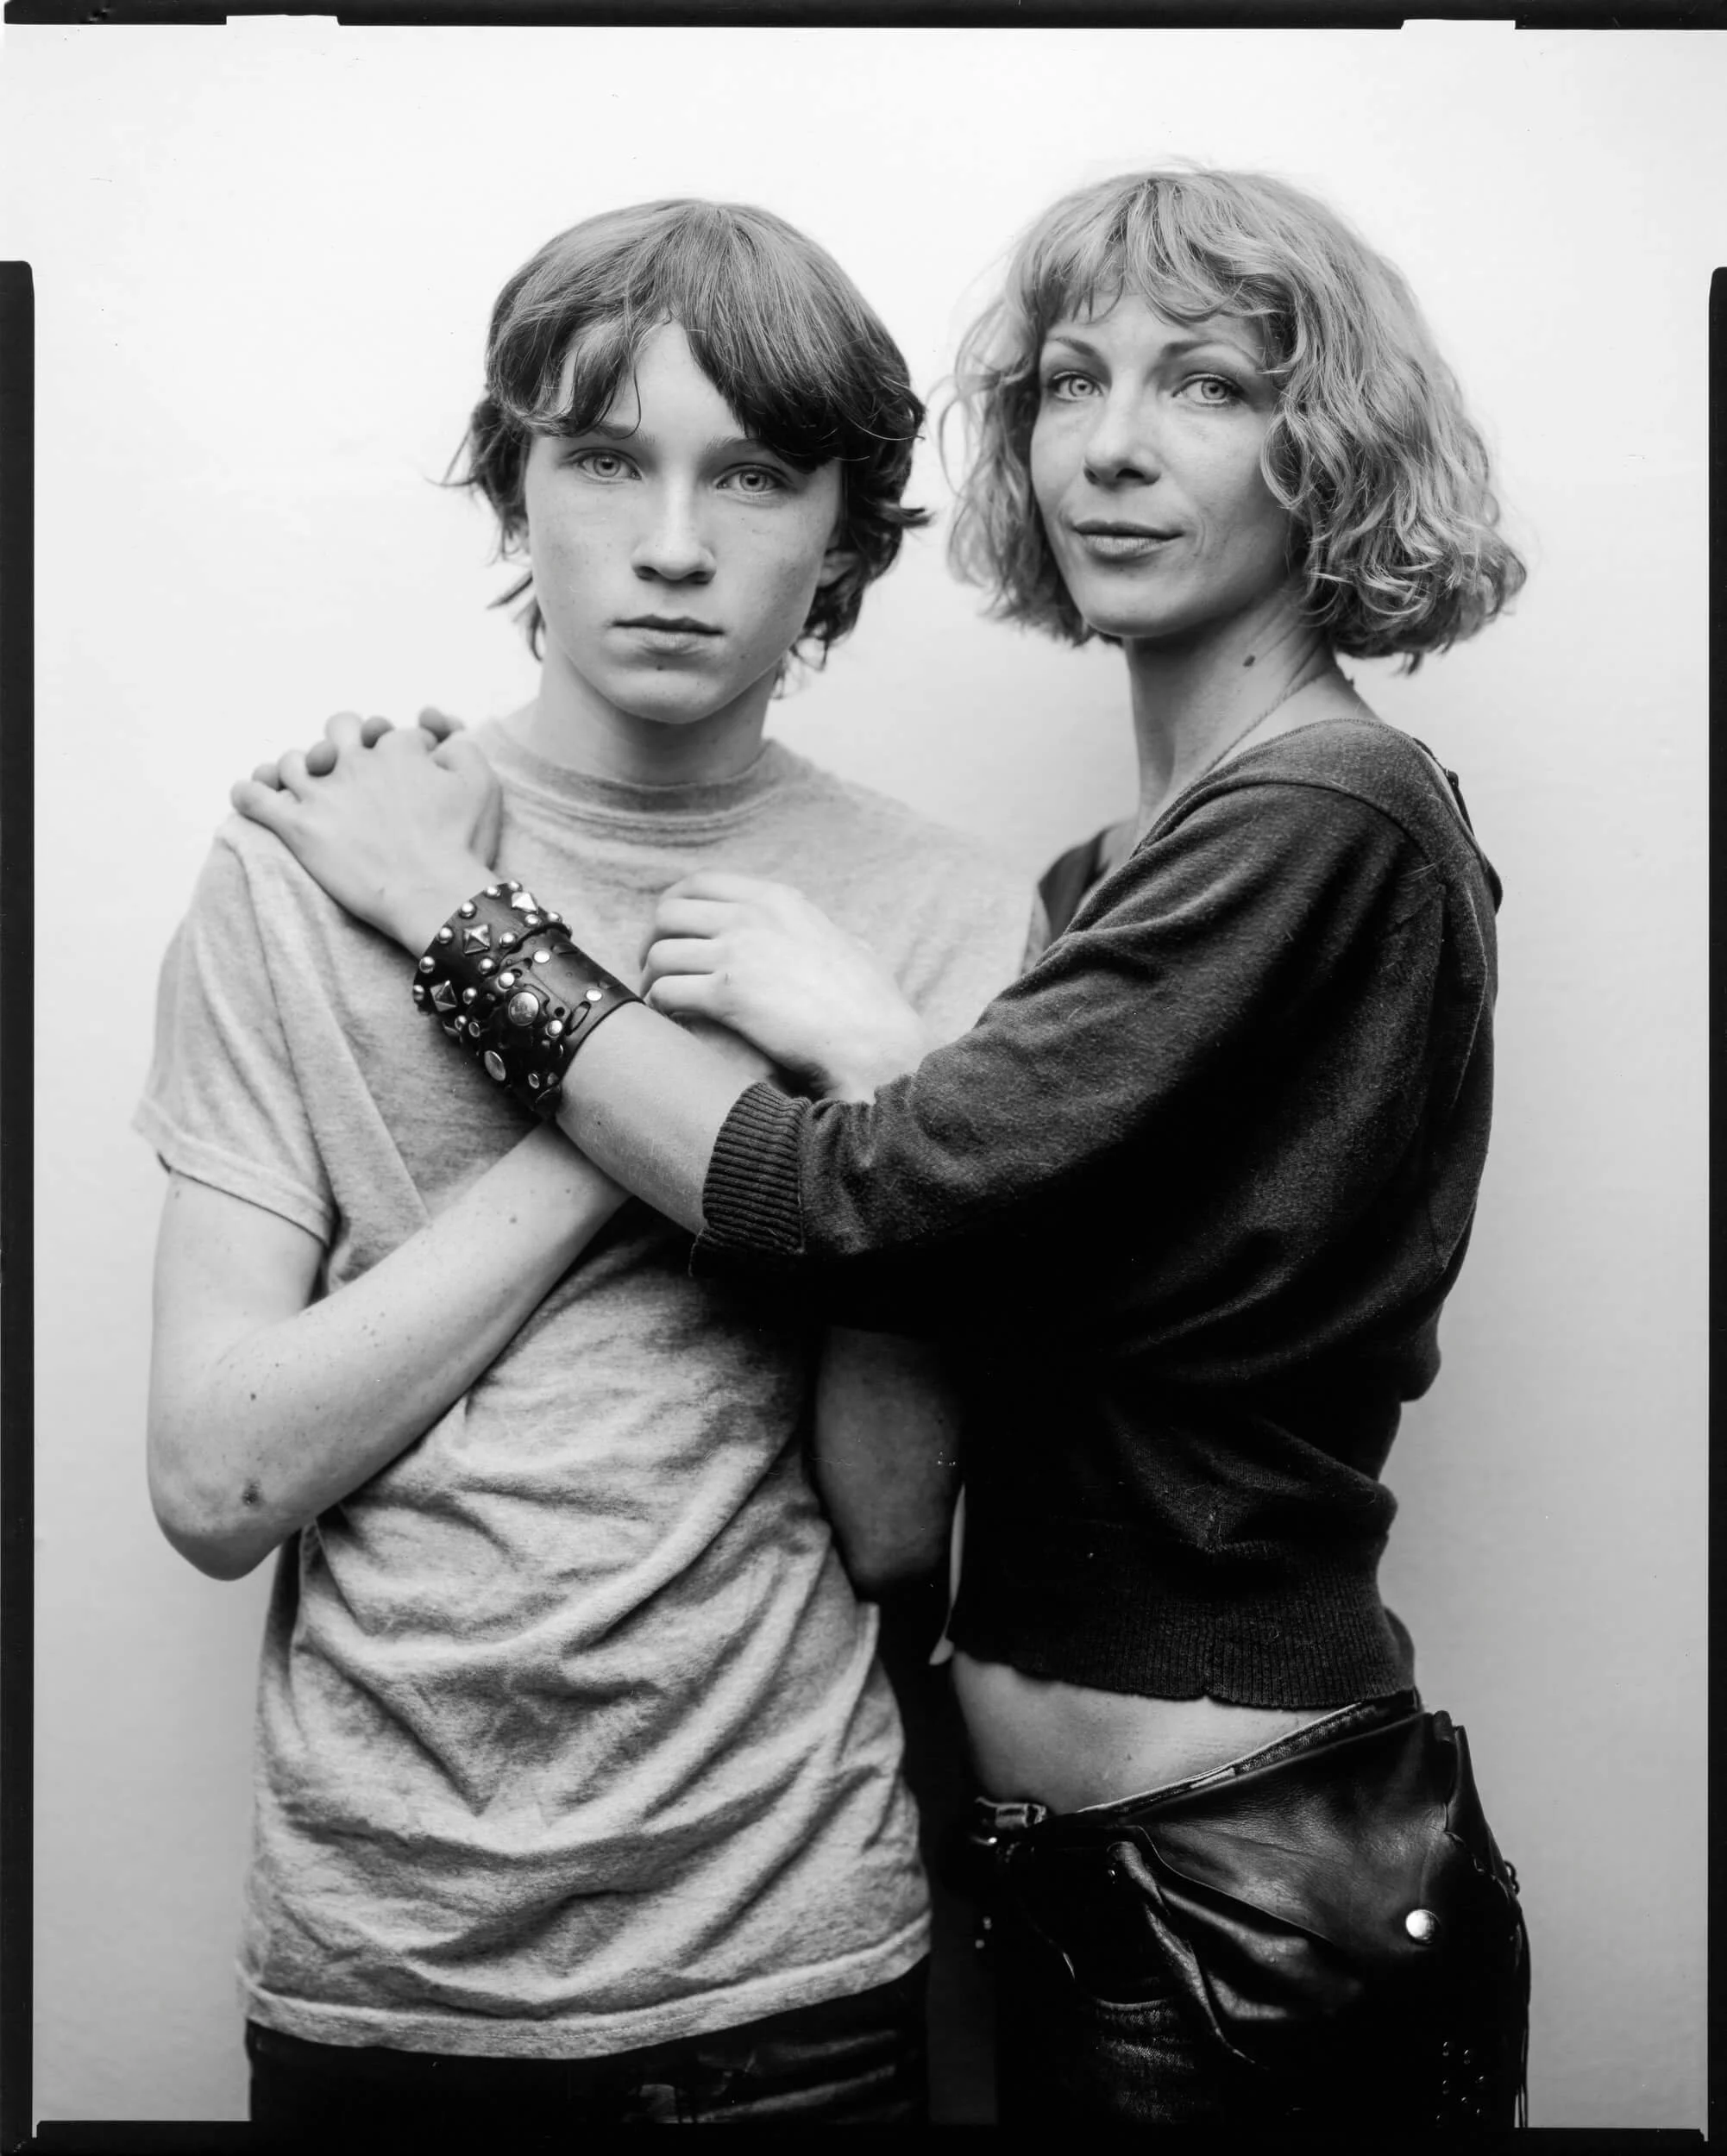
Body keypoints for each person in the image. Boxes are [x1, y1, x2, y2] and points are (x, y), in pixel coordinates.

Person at [235, 167, 1532, 2129]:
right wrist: (888, 1048)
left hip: (1243, 1884)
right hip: (1076, 1871)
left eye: (1200, 384)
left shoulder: (1327, 817)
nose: (1108, 443)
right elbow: (1024, 1282)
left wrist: (459, 917)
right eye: (1066, 382)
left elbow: (847, 1207)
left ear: (1323, 441)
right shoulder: (1113, 876)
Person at [138, 198, 1039, 2141]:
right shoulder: (320, 863)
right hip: (379, 1959)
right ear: (511, 483)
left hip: (785, 1951)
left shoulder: (938, 920)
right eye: (603, 456)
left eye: (756, 474)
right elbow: (214, 1478)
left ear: (845, 538)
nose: (672, 544)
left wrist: (864, 1098)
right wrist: (650, 1077)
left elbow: (895, 1526)